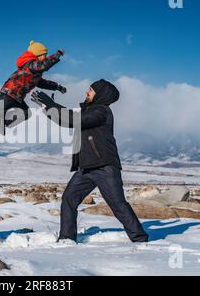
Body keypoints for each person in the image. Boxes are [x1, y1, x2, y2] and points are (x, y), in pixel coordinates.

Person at [31, 79, 149, 243]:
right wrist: (48, 107)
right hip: (86, 168)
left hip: (104, 167)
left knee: (118, 205)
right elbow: (67, 121)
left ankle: (140, 239)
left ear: (100, 94)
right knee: (69, 199)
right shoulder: (91, 111)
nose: (87, 92)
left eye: (91, 90)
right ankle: (67, 238)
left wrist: (52, 105)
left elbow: (73, 120)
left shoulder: (101, 111)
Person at [0, 41, 67, 142]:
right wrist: (57, 55)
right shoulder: (31, 65)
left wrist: (57, 87)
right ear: (37, 55)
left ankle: (1, 120)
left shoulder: (35, 71)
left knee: (25, 113)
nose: (45, 57)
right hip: (10, 93)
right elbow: (44, 65)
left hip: (17, 97)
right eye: (44, 55)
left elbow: (42, 83)